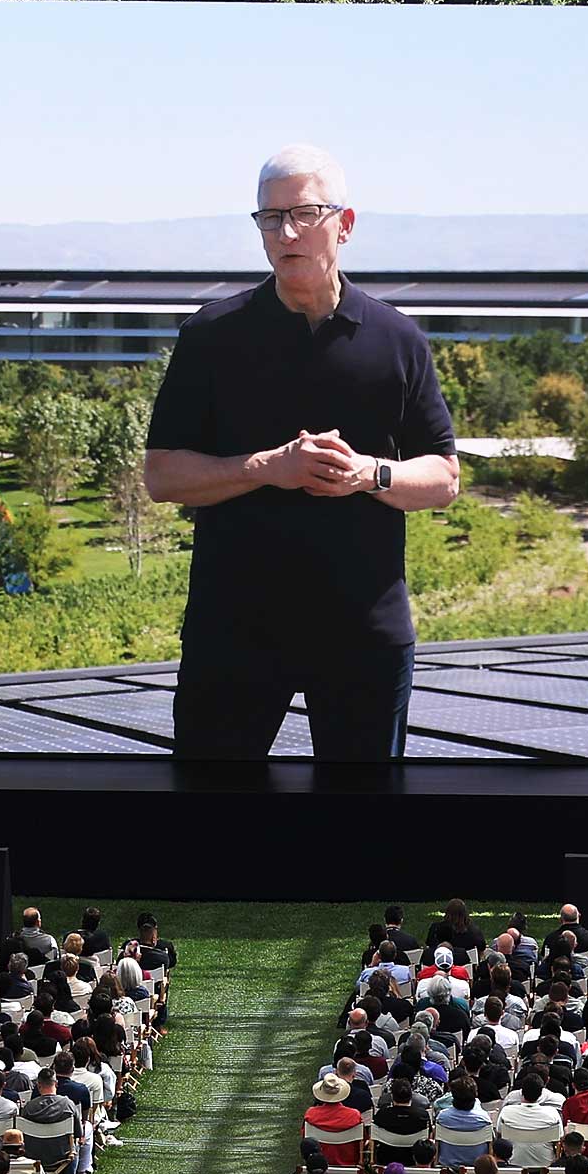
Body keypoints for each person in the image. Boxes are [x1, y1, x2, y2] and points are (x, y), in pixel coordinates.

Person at [143, 141, 462, 760]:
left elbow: (444, 478)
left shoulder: (397, 339)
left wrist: (369, 474)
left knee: (361, 837)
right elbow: (162, 475)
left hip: (364, 639)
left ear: (344, 224)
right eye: (270, 217)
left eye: (304, 214)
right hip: (233, 636)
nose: (286, 231)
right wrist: (270, 468)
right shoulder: (212, 336)